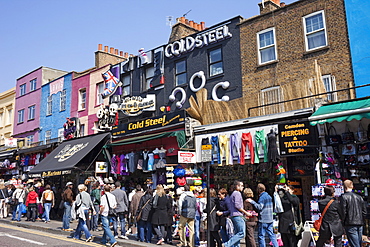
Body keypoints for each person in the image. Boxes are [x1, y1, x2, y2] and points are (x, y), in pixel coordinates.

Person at [224, 180, 252, 247]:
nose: (243, 187)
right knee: (242, 233)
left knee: (237, 233)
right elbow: (237, 205)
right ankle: (227, 244)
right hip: (238, 215)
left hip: (233, 215)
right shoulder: (237, 193)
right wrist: (246, 213)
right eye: (241, 186)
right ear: (237, 186)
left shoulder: (233, 194)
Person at [340, 179, 367, 247]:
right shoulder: (359, 197)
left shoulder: (344, 197)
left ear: (344, 187)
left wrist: (342, 221)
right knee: (358, 242)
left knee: (354, 244)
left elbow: (343, 211)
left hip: (350, 223)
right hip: (359, 222)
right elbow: (364, 211)